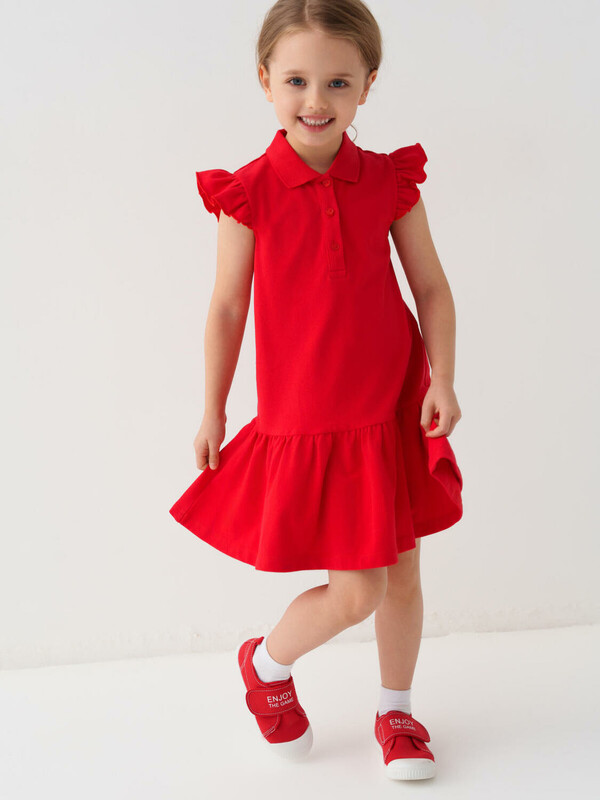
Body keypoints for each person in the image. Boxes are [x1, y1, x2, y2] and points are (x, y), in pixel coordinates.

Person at [169, 0, 464, 781]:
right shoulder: (248, 193)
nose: (316, 100)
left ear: (368, 84)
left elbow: (432, 288)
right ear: (265, 80)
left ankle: (397, 712)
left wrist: (443, 377)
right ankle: (265, 664)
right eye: (297, 80)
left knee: (402, 575)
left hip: (391, 403)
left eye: (338, 82)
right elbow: (227, 307)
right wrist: (212, 408)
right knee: (358, 589)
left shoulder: (390, 181)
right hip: (312, 414)